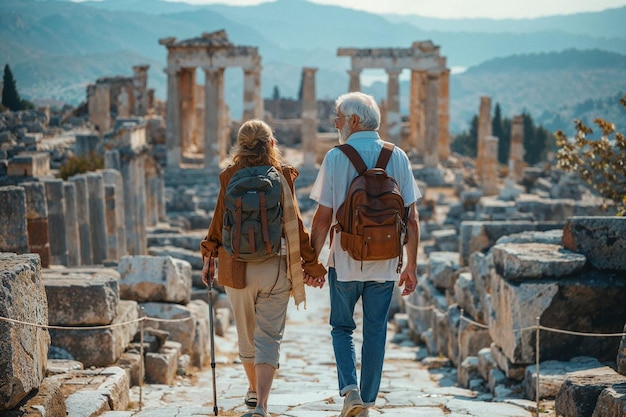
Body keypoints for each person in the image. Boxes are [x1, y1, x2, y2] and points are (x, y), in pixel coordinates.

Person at [200, 119, 327, 417]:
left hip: (235, 267)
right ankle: (262, 406)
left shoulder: (229, 175)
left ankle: (254, 390)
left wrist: (208, 259)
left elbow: (217, 223)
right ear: (272, 144)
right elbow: (295, 225)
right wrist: (312, 267)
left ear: (240, 146)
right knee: (268, 337)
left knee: (247, 336)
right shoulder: (282, 175)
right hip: (275, 267)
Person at [307, 92, 421, 417]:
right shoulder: (398, 156)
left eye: (339, 117)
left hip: (344, 258)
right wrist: (411, 265)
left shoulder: (335, 157)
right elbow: (411, 218)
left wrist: (313, 261)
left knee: (342, 328)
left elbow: (322, 218)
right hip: (386, 261)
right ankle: (368, 402)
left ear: (353, 121)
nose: (336, 122)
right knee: (375, 330)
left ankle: (350, 392)